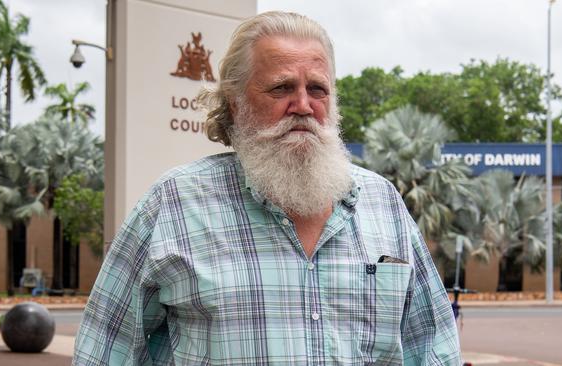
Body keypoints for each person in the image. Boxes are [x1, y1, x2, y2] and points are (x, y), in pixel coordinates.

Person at [74, 11, 461, 365]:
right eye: (281, 88)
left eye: (318, 89)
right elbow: (105, 350)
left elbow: (432, 345)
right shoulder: (173, 204)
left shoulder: (383, 203)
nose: (303, 105)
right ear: (236, 103)